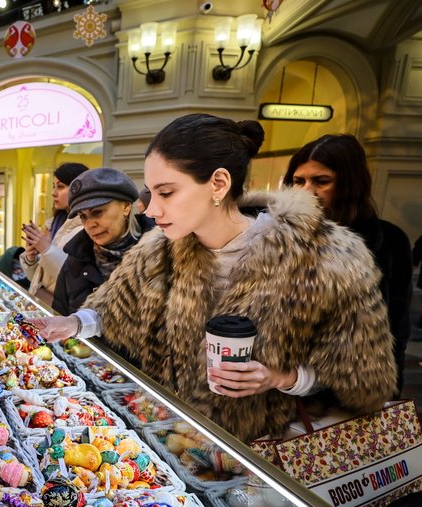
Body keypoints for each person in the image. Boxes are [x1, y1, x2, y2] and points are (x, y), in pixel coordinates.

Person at [33, 114, 396, 442]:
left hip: (263, 457)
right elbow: (114, 309)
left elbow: (364, 380)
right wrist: (72, 322)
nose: (152, 210)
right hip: (177, 442)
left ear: (218, 183)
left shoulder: (325, 258)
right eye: (150, 193)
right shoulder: (157, 251)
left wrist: (281, 378)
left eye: (167, 192)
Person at [282, 134, 412, 391]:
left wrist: (387, 392)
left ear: (350, 185)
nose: (307, 191)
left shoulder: (388, 242)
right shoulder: (278, 236)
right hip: (280, 388)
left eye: (321, 181)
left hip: (350, 391)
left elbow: (396, 328)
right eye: (298, 181)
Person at [52, 168, 154, 315]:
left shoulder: (162, 253)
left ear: (126, 206)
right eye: (83, 216)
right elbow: (61, 316)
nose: (90, 224)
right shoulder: (75, 262)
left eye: (97, 212)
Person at [19, 162, 89, 305]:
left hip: (61, 311)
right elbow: (37, 278)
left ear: (78, 188)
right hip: (41, 303)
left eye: (61, 186)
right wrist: (30, 257)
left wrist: (46, 249)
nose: (53, 192)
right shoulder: (54, 223)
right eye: (53, 186)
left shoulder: (87, 229)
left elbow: (73, 279)